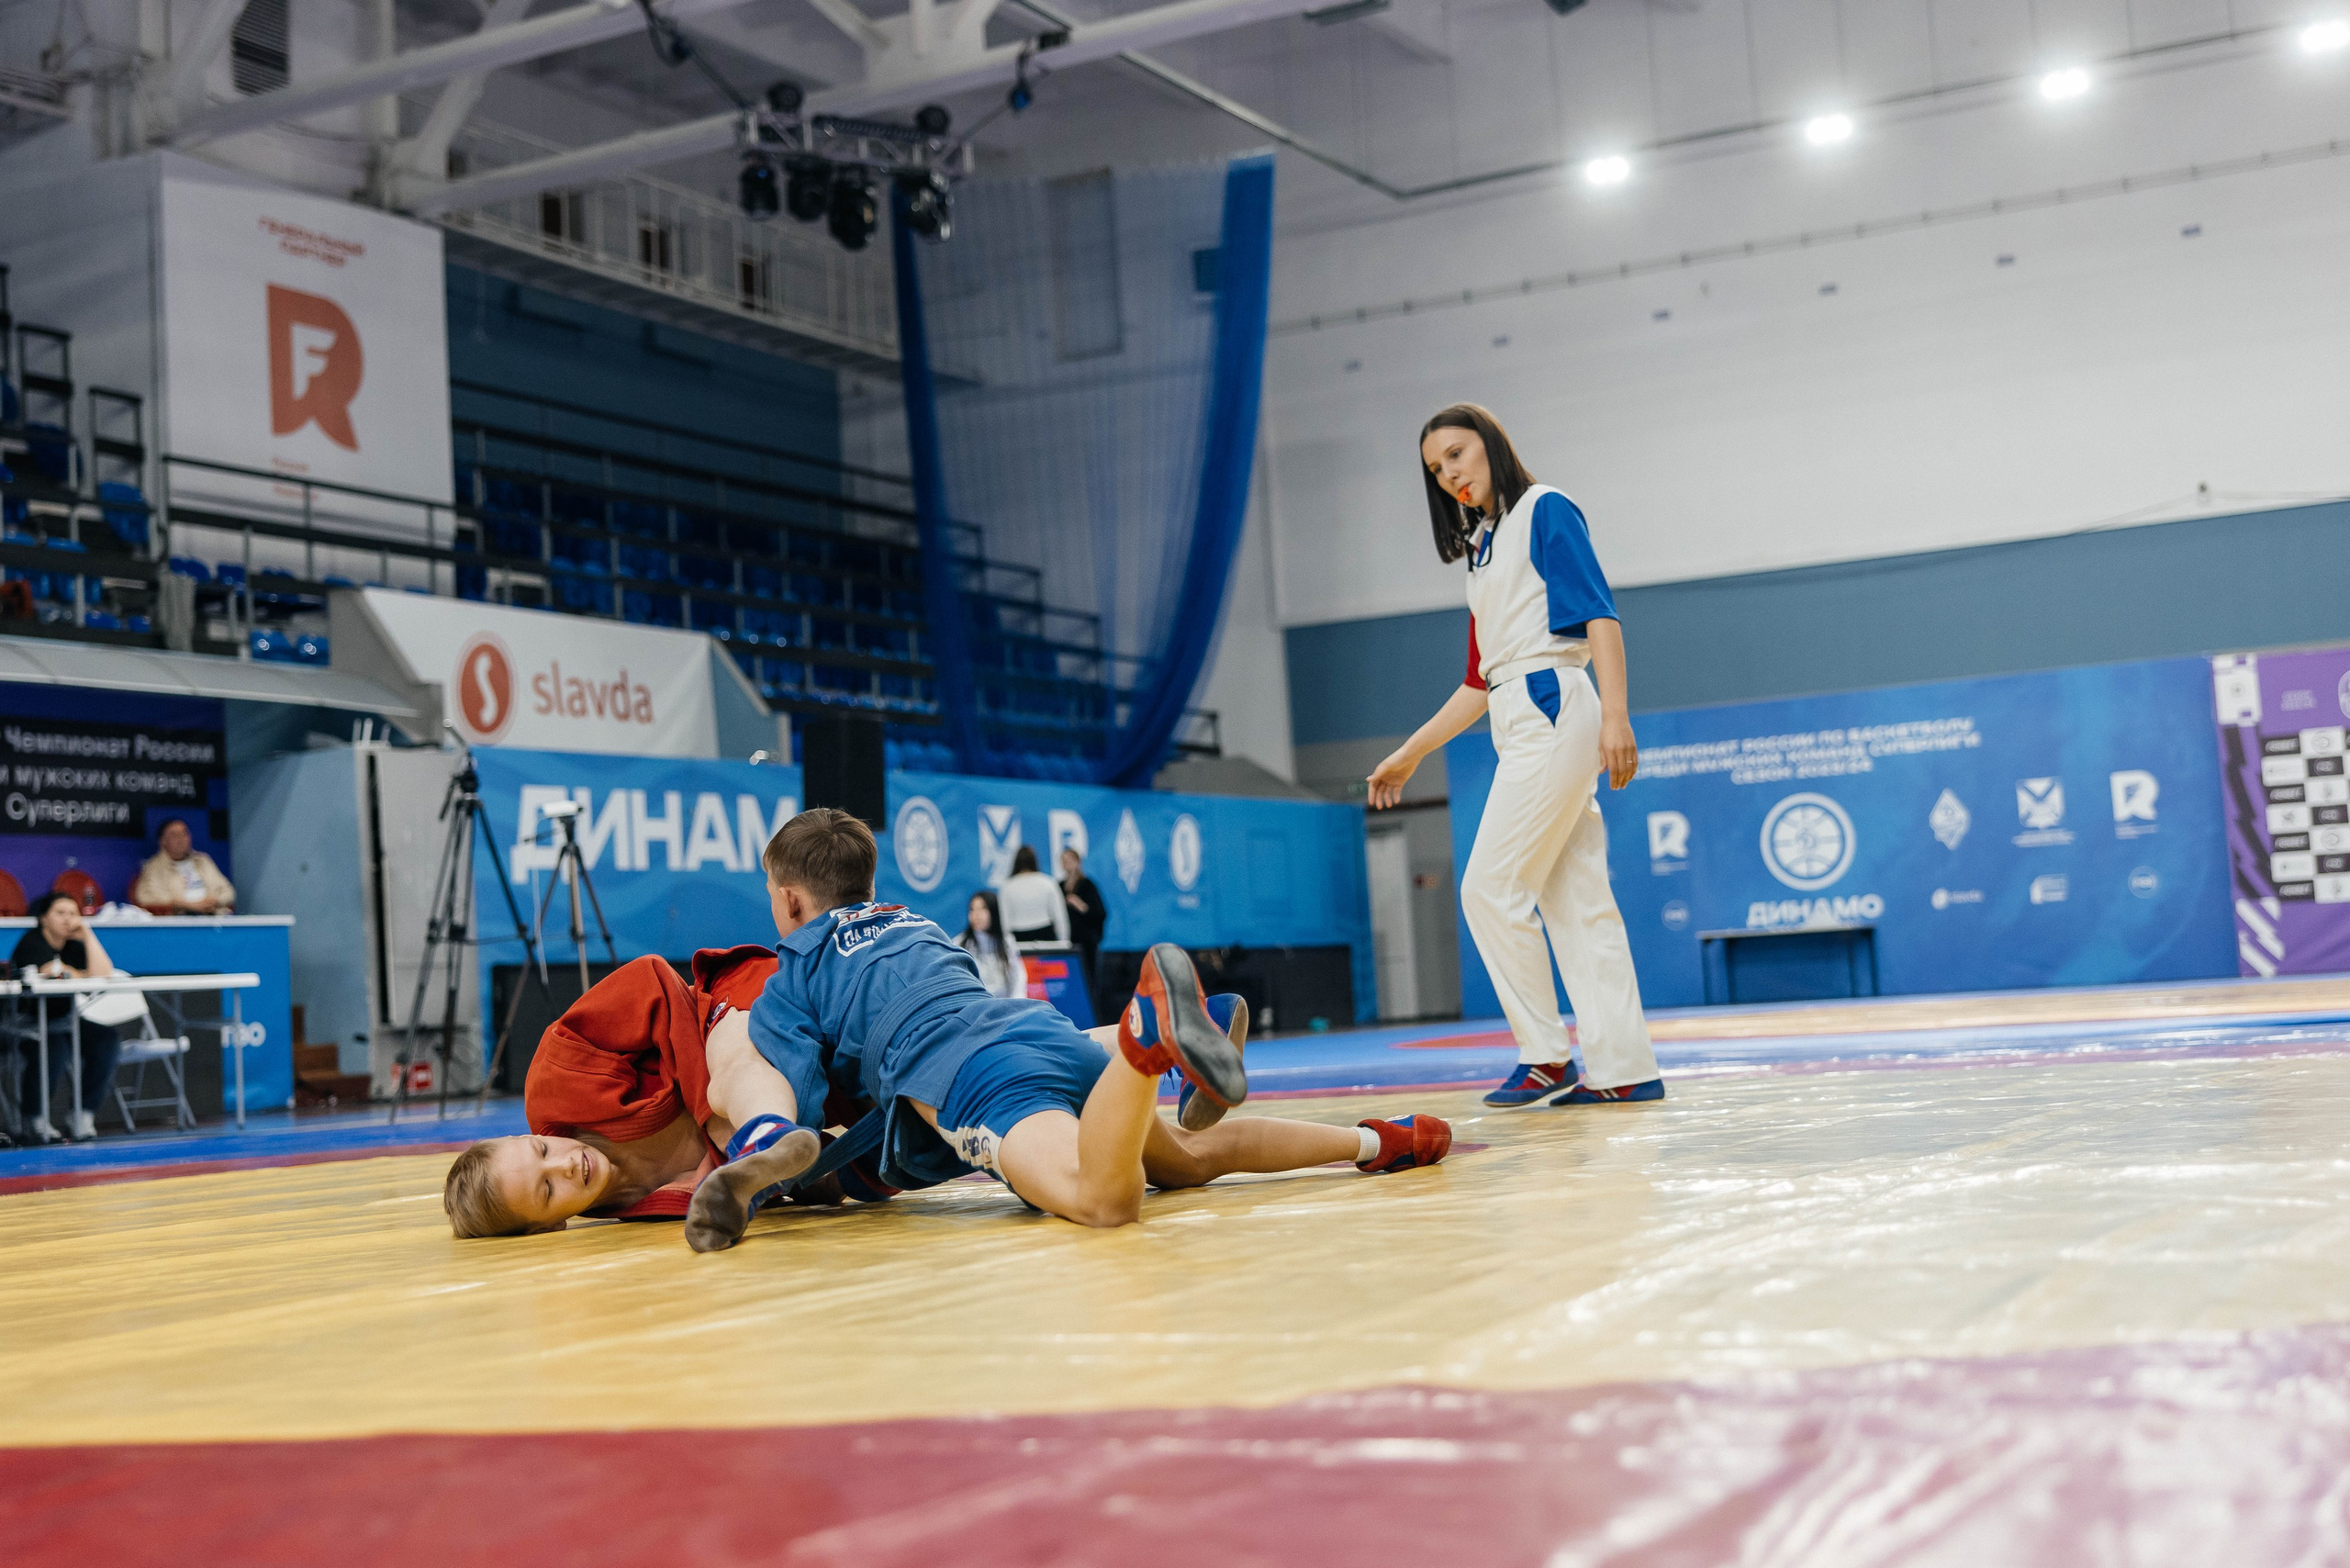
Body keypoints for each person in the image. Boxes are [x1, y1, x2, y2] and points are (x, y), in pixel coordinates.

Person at [745, 809, 1451, 1238]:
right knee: (1188, 1160)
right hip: (1040, 1032)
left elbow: (794, 1110)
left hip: (973, 1076)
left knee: (1103, 1202)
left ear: (789, 901)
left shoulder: (794, 968)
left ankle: (1145, 1041)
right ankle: (1377, 1139)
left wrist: (764, 1173)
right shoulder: (916, 924)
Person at [1368, 403, 1664, 1111]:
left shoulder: (1545, 508)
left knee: (1487, 889)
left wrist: (1616, 716)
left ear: (1491, 443)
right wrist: (1409, 753)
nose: (1450, 475)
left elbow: (1600, 615)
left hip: (1553, 703)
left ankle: (1544, 1055)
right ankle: (1624, 1070)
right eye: (1436, 469)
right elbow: (1478, 681)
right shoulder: (1482, 549)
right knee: (1577, 901)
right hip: (1519, 709)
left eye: (1458, 455)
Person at [9, 890, 123, 1143]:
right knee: (55, 1047)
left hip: (66, 1021)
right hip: (24, 1025)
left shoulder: (73, 945)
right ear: (43, 918)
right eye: (60, 913)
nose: (68, 919)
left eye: (74, 914)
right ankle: (34, 1120)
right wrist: (77, 973)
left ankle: (82, 1114)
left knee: (106, 1040)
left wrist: (88, 935)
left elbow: (103, 977)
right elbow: (53, 973)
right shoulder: (31, 943)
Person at [132, 819, 235, 915]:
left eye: (184, 833)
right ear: (163, 841)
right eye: (174, 835)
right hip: (178, 921)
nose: (181, 839)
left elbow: (229, 892)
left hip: (212, 916)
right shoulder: (154, 866)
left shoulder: (203, 860)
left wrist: (215, 901)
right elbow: (145, 898)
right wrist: (184, 905)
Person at [1059, 846, 1107, 1011]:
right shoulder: (1059, 886)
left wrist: (1080, 905)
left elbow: (1100, 912)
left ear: (1078, 862)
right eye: (1064, 861)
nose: (1067, 865)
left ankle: (1091, 1013)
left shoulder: (1087, 885)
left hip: (1086, 942)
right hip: (1067, 942)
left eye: (1070, 861)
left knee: (1089, 980)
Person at [955, 890, 1026, 1000]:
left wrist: (1016, 1005)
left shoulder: (1006, 942)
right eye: (972, 909)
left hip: (1005, 1006)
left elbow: (1018, 978)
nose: (976, 914)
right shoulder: (960, 943)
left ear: (993, 911)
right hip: (974, 1007)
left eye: (982, 908)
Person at [996, 845, 1068, 945]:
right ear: (1035, 861)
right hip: (1046, 935)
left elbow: (1004, 921)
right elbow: (1060, 916)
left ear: (1016, 862)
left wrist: (1008, 945)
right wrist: (1064, 942)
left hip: (1018, 937)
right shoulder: (1048, 882)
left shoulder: (1007, 887)